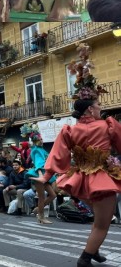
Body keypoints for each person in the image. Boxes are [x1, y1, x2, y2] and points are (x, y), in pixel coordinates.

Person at [43, 45, 116, 266]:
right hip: (101, 181)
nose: (101, 108)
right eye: (98, 105)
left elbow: (57, 155)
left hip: (81, 182)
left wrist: (47, 176)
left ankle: (94, 251)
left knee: (99, 220)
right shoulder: (107, 125)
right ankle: (85, 259)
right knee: (103, 224)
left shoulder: (70, 130)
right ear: (90, 110)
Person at [26, 130, 56, 224]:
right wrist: (40, 175)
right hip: (39, 174)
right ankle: (41, 216)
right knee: (41, 197)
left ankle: (38, 209)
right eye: (40, 139)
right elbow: (38, 163)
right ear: (36, 141)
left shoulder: (41, 149)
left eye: (42, 139)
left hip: (44, 174)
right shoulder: (37, 150)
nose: (42, 140)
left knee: (53, 195)